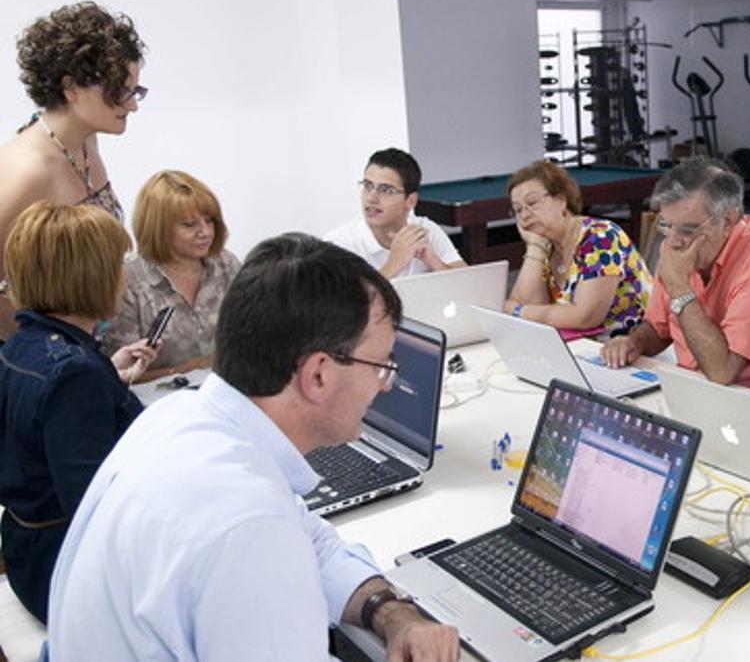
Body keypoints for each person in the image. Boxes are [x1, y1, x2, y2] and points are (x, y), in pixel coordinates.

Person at [47, 233, 458, 661]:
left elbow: (311, 540)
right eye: (381, 366)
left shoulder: (179, 419)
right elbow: (267, 541)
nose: (384, 385)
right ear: (318, 374)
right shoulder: (247, 524)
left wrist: (389, 611)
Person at [0, 202, 156, 623]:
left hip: (26, 553)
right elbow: (97, 505)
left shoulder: (20, 346)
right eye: (118, 265)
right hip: (65, 575)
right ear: (92, 275)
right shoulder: (75, 373)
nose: (125, 277)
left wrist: (109, 381)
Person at [0, 2, 147, 337]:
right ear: (70, 88)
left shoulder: (85, 143)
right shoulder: (27, 170)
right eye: (119, 91)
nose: (133, 104)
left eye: (134, 90)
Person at [601, 157, 750, 396]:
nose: (673, 241)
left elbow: (722, 372)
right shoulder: (676, 245)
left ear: (727, 221)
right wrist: (633, 343)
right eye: (666, 226)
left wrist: (679, 287)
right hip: (692, 386)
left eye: (688, 230)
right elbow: (658, 329)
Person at [102, 170, 241, 382]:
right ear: (158, 229)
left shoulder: (226, 264)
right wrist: (192, 367)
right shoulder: (129, 280)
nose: (205, 232)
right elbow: (118, 375)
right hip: (154, 405)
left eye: (209, 220)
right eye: (189, 224)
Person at [504, 160, 652, 335]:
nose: (525, 215)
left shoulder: (600, 237)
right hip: (583, 348)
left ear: (561, 200)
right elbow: (529, 307)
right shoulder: (546, 243)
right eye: (518, 210)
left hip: (636, 348)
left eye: (533, 202)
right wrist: (535, 247)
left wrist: (518, 311)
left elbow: (585, 316)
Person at [325, 148, 466, 279]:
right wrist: (394, 264)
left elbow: (468, 286)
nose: (371, 198)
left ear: (410, 201)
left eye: (386, 190)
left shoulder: (425, 231)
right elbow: (346, 303)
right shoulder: (339, 243)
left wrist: (434, 261)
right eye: (368, 186)